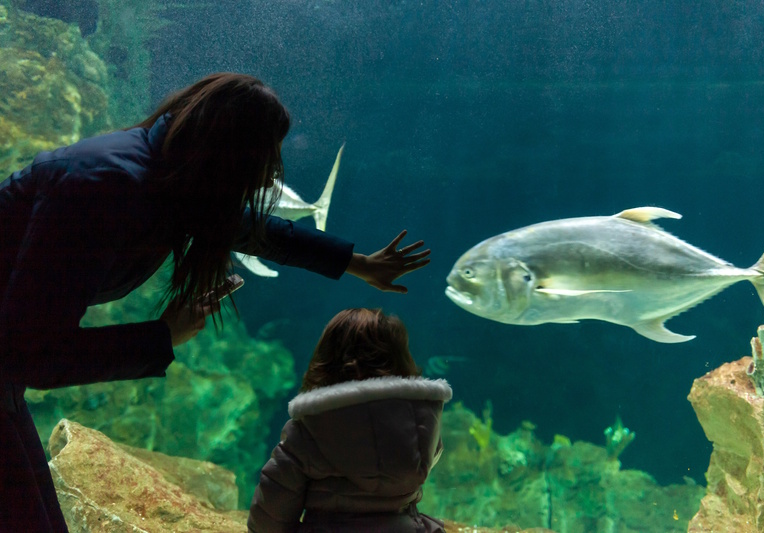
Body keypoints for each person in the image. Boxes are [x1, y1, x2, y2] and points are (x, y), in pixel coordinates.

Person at [0, 72, 430, 532]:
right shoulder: (103, 187)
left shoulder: (161, 176)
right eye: (265, 158)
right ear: (231, 153)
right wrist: (161, 337)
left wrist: (357, 264)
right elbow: (27, 353)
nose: (270, 176)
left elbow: (250, 230)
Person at [248, 308, 451, 533]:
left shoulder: (307, 432)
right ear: (402, 360)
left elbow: (269, 519)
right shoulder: (422, 425)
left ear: (326, 360)